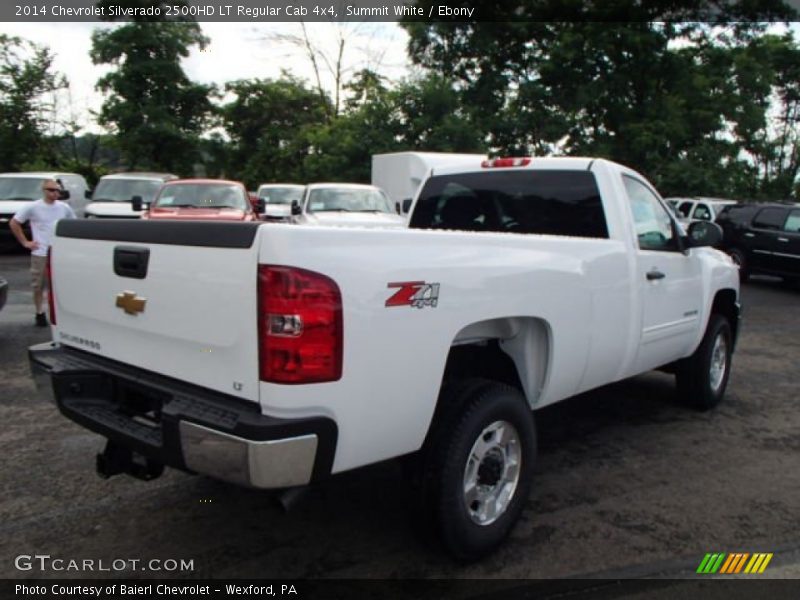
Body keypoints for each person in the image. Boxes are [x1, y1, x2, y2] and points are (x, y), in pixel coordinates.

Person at [9, 179, 76, 326]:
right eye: (51, 190)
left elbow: (73, 224)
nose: (55, 193)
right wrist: (25, 242)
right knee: (38, 284)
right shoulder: (33, 207)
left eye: (57, 190)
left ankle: (59, 313)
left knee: (60, 284)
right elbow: (14, 223)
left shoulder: (64, 207)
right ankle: (39, 312)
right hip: (41, 251)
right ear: (44, 191)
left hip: (59, 252)